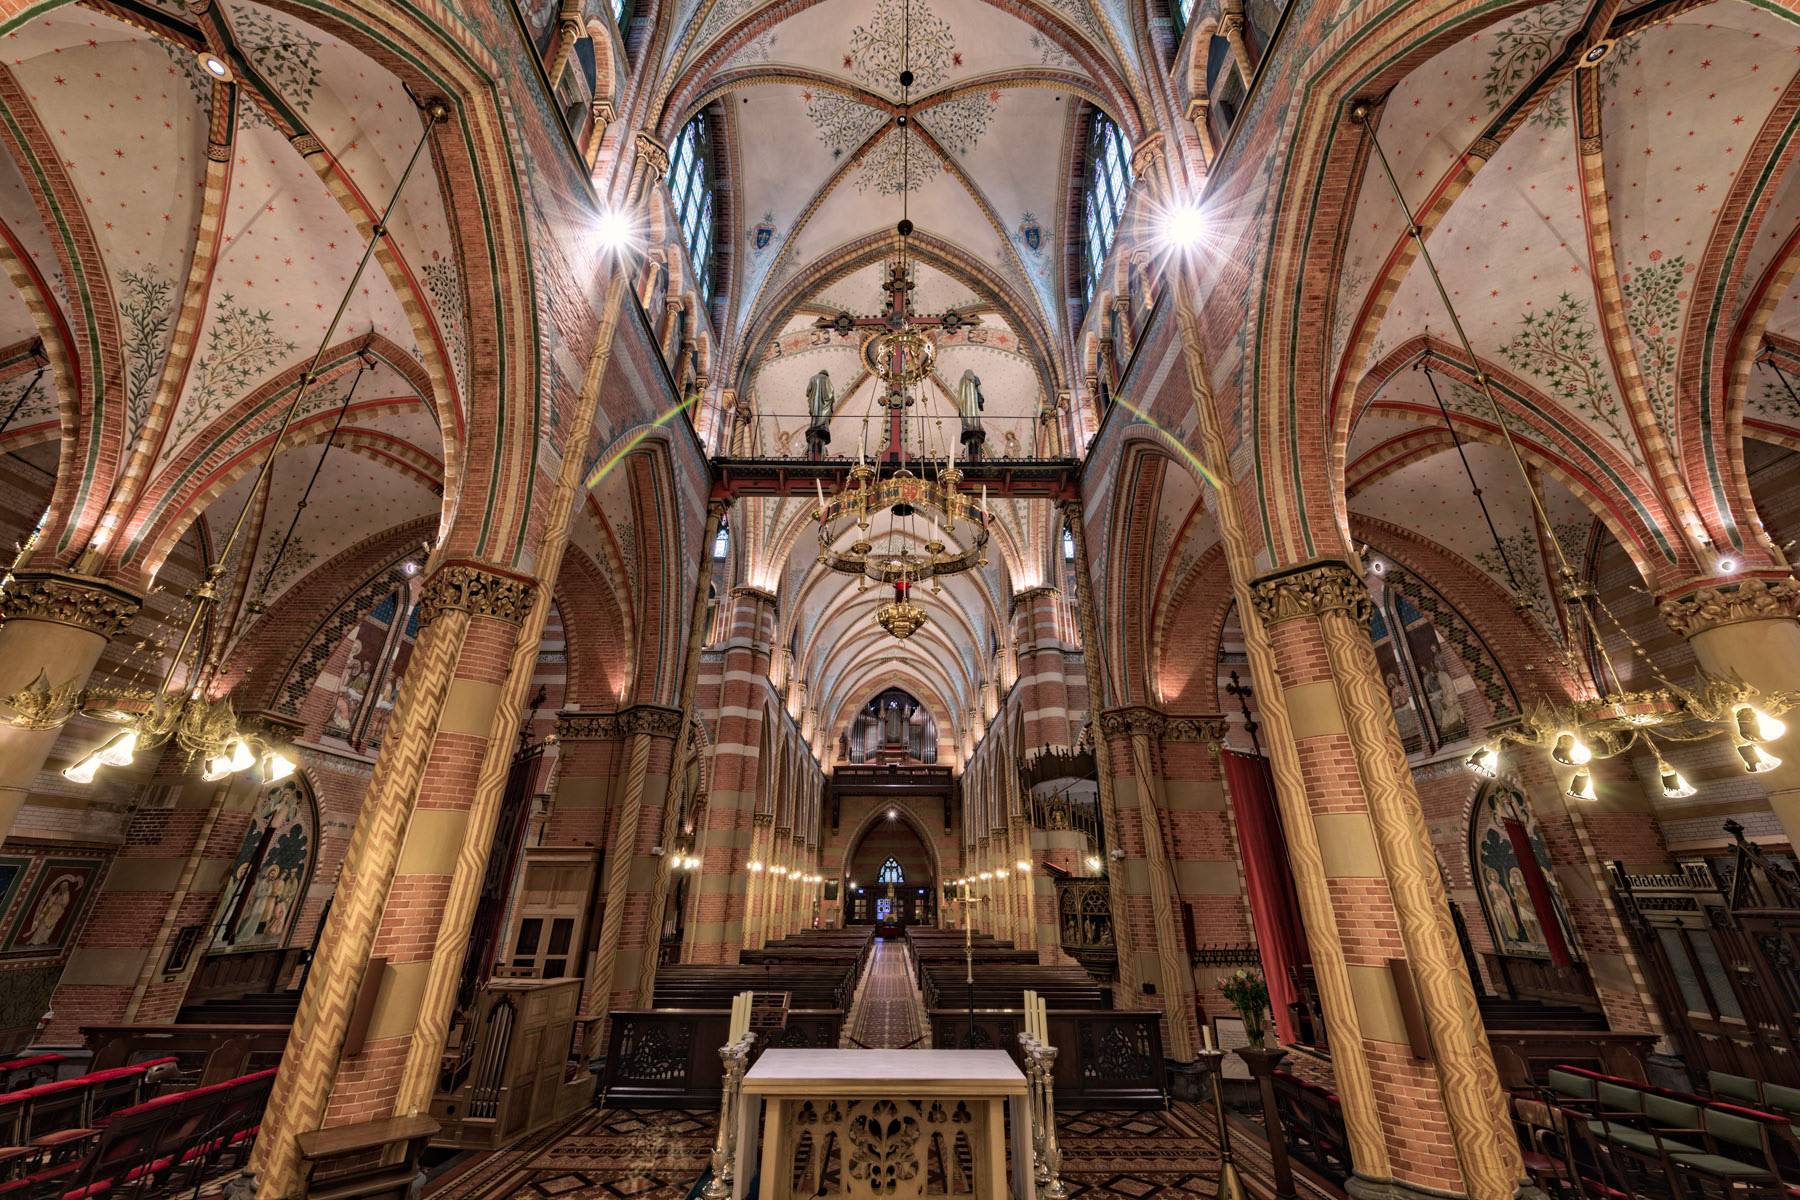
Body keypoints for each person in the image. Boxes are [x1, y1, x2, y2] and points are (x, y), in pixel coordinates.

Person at [956, 368, 985, 435]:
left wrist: (960, 401)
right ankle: (975, 425)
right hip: (974, 401)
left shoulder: (962, 380)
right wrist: (982, 396)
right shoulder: (975, 378)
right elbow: (980, 389)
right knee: (974, 413)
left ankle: (967, 426)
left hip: (964, 402)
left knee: (966, 413)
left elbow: (959, 393)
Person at [806, 368, 834, 433]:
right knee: (823, 413)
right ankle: (823, 425)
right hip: (824, 402)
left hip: (814, 401)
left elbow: (808, 390)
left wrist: (810, 395)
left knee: (815, 413)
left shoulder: (813, 378)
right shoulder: (827, 379)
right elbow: (831, 391)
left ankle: (814, 424)